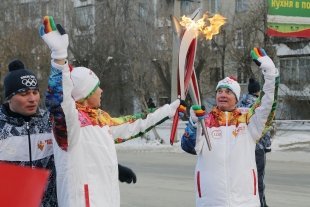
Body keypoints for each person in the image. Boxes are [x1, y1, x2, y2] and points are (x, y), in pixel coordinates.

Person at [40, 16, 181, 207]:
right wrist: (59, 59)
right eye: (96, 87)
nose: (101, 90)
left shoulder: (100, 120)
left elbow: (135, 124)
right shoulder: (71, 125)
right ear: (85, 93)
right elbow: (60, 103)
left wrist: (169, 110)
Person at [181, 48, 279, 207]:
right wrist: (193, 122)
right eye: (219, 91)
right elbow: (189, 147)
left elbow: (268, 103)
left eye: (228, 91)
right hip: (210, 201)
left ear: (236, 97)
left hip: (244, 201)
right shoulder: (205, 120)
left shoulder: (248, 119)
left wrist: (270, 73)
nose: (222, 94)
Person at [0, 59, 58, 206]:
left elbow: (75, 150)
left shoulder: (50, 121)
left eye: (35, 92)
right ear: (9, 98)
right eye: (24, 93)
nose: (32, 99)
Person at [239, 78, 272, 207]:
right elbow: (264, 126)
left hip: (242, 147)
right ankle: (261, 204)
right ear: (258, 91)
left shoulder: (239, 104)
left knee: (245, 178)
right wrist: (267, 145)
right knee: (258, 178)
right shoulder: (258, 105)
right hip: (257, 147)